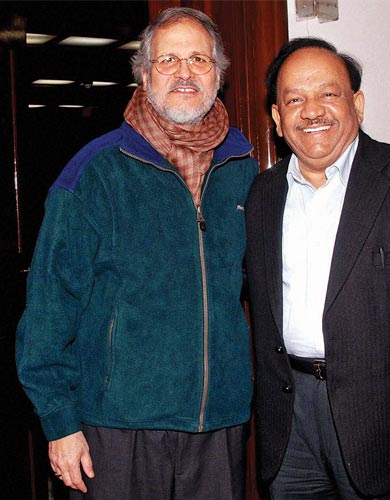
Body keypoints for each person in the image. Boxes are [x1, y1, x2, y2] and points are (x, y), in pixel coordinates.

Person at [16, 7, 258, 500]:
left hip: (220, 423)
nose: (185, 72)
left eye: (199, 59)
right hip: (118, 426)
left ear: (219, 75)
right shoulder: (95, 172)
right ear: (144, 75)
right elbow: (48, 308)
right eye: (169, 60)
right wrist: (59, 422)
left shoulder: (246, 169)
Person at [244, 37, 390, 500]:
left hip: (389, 429)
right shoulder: (262, 195)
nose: (311, 110)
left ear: (357, 103)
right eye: (294, 99)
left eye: (328, 94)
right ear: (277, 118)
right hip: (288, 425)